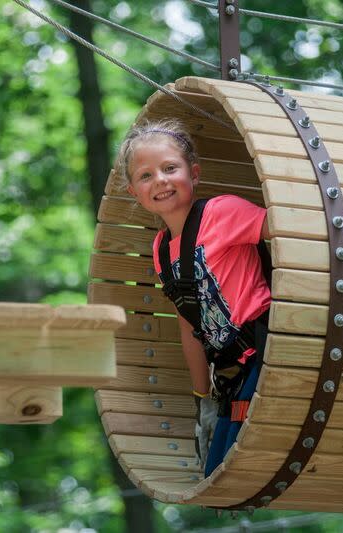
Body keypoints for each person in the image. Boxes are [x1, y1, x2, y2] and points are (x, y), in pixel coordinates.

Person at [113, 118, 272, 477]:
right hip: (236, 368)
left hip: (269, 350)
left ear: (193, 173)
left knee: (235, 465)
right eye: (146, 176)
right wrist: (204, 400)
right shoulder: (161, 251)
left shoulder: (223, 212)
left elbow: (291, 234)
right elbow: (190, 329)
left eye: (170, 168)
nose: (161, 181)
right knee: (214, 469)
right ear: (133, 193)